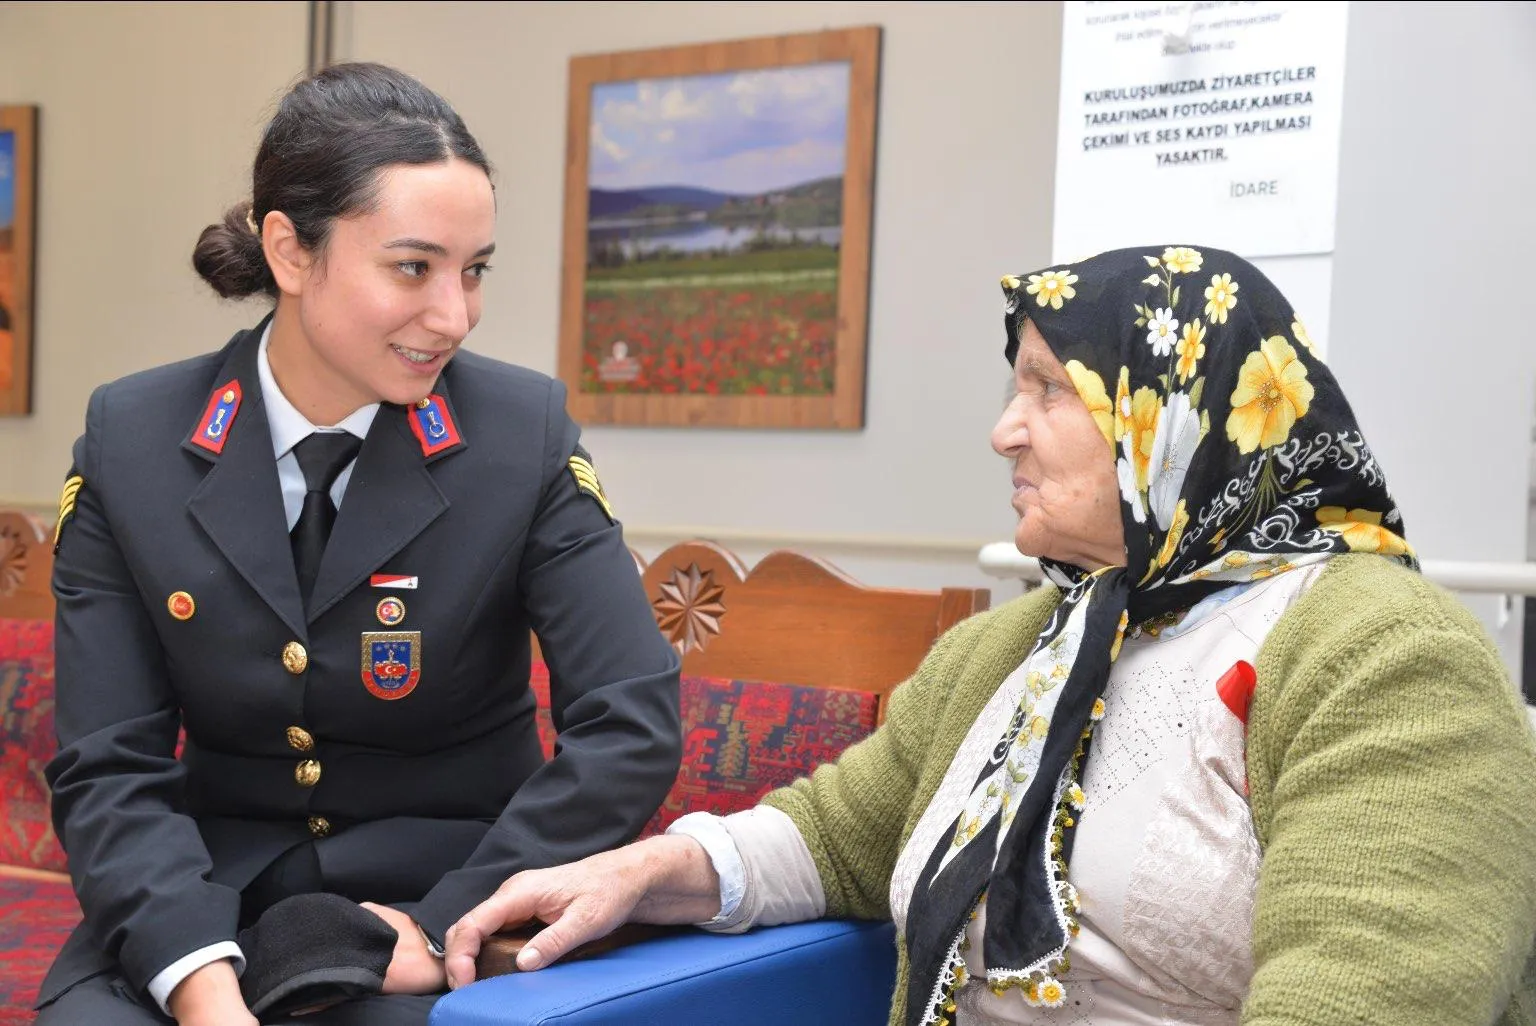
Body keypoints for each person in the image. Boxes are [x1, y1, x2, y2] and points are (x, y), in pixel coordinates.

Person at [443, 245, 1536, 1025]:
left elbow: (1370, 996)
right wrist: (647, 871)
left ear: (1176, 417)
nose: (1002, 429)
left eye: (1049, 391)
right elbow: (835, 837)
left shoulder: (1381, 657)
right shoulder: (1019, 643)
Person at [35, 62, 682, 1026]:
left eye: (474, 271)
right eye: (414, 268)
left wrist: (449, 923)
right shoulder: (133, 442)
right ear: (292, 252)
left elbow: (630, 719)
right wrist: (204, 989)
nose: (454, 316)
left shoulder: (521, 436)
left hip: (439, 901)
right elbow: (109, 763)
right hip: (205, 903)